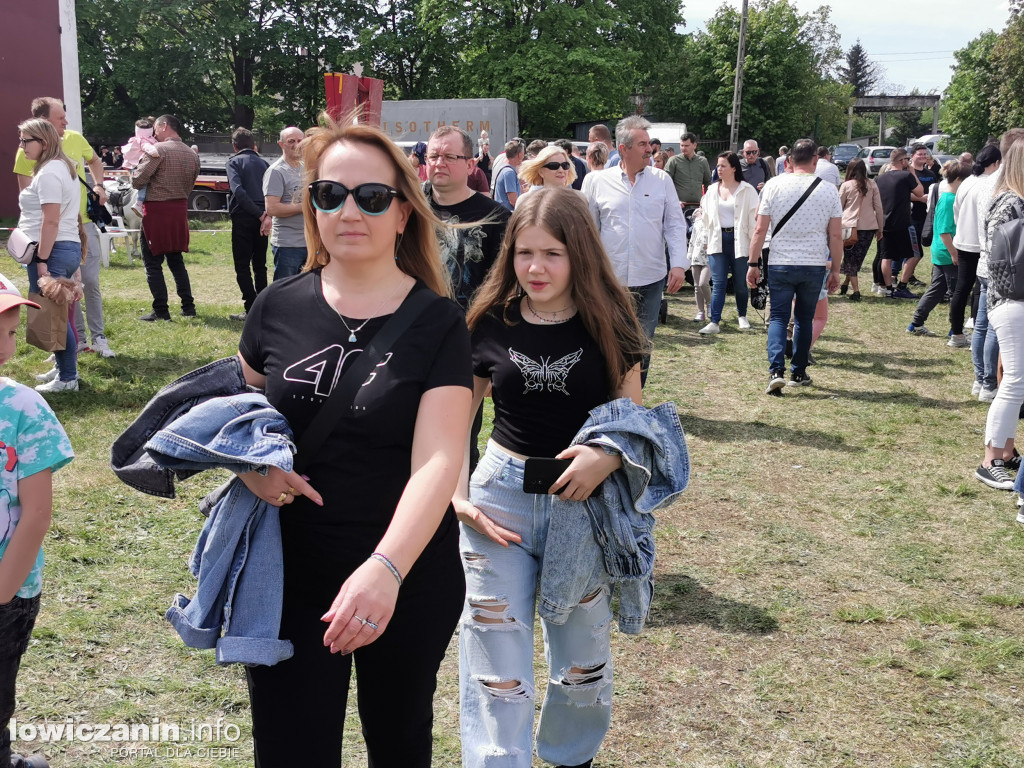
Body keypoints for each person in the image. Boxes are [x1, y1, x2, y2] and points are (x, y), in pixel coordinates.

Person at [236, 117, 472, 766]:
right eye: (329, 194)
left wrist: (384, 569)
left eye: (371, 197)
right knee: (290, 751)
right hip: (288, 576)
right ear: (311, 208)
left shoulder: (439, 323)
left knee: (397, 745)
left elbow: (439, 460)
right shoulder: (274, 308)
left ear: (403, 214)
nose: (349, 211)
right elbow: (239, 415)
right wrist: (251, 467)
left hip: (407, 575)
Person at [455, 186, 649, 768]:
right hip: (498, 503)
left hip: (584, 505)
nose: (535, 267)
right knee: (495, 659)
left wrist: (607, 457)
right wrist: (457, 496)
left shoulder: (613, 321)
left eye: (553, 254)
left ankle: (571, 757)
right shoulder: (489, 319)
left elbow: (633, 422)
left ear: (580, 254)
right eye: (523, 252)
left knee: (580, 659)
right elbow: (455, 419)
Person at [0, 274, 75, 768]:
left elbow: (36, 514)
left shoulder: (24, 407)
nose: (9, 343)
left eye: (10, 331)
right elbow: (37, 514)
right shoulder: (25, 406)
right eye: (4, 332)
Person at [582, 116, 689, 386]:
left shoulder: (661, 180)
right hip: (609, 280)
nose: (649, 149)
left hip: (650, 280)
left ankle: (633, 404)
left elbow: (675, 225)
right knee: (606, 341)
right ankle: (606, 398)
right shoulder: (597, 182)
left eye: (648, 144)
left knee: (642, 344)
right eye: (642, 144)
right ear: (623, 149)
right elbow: (587, 232)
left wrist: (678, 264)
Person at [13, 97, 114, 358]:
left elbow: (51, 215)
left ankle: (92, 343)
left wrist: (99, 185)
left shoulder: (63, 153)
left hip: (68, 233)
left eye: (26, 141)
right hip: (57, 236)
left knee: (82, 288)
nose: (66, 122)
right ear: (44, 123)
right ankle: (72, 346)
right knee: (61, 301)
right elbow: (32, 203)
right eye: (61, 118)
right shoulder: (36, 157)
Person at [748, 139, 842, 394]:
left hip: (780, 262)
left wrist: (753, 263)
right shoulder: (829, 190)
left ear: (788, 161)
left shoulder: (773, 186)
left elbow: (759, 229)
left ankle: (776, 370)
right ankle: (798, 372)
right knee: (804, 318)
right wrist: (835, 270)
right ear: (815, 161)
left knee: (778, 317)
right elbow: (835, 235)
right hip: (813, 263)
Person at [16, 119, 83, 393]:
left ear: (43, 143)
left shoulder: (49, 173)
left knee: (52, 316)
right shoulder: (59, 167)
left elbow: (51, 220)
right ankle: (63, 368)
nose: (21, 147)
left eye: (25, 141)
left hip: (52, 250)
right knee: (55, 315)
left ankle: (68, 378)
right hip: (60, 248)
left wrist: (42, 259)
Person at [975, 138, 1024, 491]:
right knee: (1015, 383)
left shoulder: (1010, 199)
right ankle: (991, 458)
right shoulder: (1010, 202)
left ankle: (1005, 452)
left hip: (1011, 299)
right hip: (1011, 300)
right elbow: (1001, 260)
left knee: (1016, 383)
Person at [423, 126, 511, 310]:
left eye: (449, 157)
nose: (439, 163)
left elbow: (503, 283)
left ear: (470, 165)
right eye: (433, 156)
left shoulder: (496, 218)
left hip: (471, 326)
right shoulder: (408, 208)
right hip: (415, 325)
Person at [131, 114, 200, 321]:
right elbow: (192, 183)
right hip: (179, 210)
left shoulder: (157, 151)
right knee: (176, 261)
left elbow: (137, 180)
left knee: (152, 263)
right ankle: (188, 307)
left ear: (163, 126)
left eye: (155, 127)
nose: (153, 132)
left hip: (157, 212)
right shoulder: (191, 154)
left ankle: (161, 311)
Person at [907, 159, 971, 336]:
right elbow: (944, 231)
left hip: (942, 251)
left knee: (936, 290)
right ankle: (955, 330)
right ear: (959, 179)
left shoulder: (950, 199)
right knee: (955, 294)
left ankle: (915, 324)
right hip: (948, 252)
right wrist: (954, 254)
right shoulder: (949, 200)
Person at [698, 151, 759, 334]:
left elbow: (754, 219)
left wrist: (754, 244)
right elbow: (706, 218)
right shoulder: (711, 190)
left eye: (723, 165)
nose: (719, 169)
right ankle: (714, 321)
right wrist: (706, 240)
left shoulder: (747, 189)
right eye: (718, 165)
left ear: (734, 168)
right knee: (718, 283)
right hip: (717, 240)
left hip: (740, 240)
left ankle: (742, 315)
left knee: (741, 282)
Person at [948, 144, 1001, 350]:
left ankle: (957, 333)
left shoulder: (967, 181)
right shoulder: (992, 184)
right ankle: (979, 333)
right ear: (996, 163)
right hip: (981, 244)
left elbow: (957, 211)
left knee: (961, 289)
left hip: (963, 240)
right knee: (980, 291)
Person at [225, 127, 270, 320]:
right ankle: (263, 306)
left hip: (244, 216)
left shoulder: (233, 163)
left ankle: (251, 307)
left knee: (242, 265)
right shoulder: (265, 163)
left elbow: (238, 191)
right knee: (260, 264)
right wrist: (264, 215)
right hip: (264, 216)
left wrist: (258, 214)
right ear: (254, 145)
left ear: (235, 146)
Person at [873, 148, 924, 298]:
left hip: (884, 223)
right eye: (907, 159)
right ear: (902, 161)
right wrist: (913, 173)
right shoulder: (906, 175)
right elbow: (920, 192)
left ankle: (888, 289)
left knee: (886, 257)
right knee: (916, 254)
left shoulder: (880, 178)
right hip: (903, 223)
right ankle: (902, 286)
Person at [262, 126, 307, 281]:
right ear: (281, 144)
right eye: (291, 141)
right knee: (285, 291)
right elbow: (272, 208)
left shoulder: (306, 168)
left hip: (309, 242)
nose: (296, 144)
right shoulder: (276, 171)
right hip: (288, 244)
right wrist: (305, 207)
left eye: (300, 141)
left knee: (306, 290)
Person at [838, 158, 884, 300]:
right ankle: (846, 284)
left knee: (850, 258)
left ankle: (856, 291)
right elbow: (879, 208)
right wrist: (880, 228)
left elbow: (838, 207)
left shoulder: (846, 185)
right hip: (869, 226)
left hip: (849, 225)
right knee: (857, 258)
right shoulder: (872, 184)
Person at [664, 132, 713, 225]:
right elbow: (665, 182)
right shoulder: (674, 161)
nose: (683, 148)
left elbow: (708, 183)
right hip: (678, 207)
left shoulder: (702, 161)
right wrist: (674, 201)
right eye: (681, 145)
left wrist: (707, 202)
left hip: (698, 208)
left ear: (694, 145)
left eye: (686, 145)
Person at [121, 118, 159, 217]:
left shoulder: (135, 139)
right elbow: (150, 149)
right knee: (144, 183)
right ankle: (139, 203)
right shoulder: (144, 141)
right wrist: (157, 153)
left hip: (132, 165)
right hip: (138, 165)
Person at [493, 140, 524, 212]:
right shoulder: (509, 172)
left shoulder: (506, 169)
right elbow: (513, 201)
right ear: (519, 155)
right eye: (523, 154)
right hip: (508, 215)